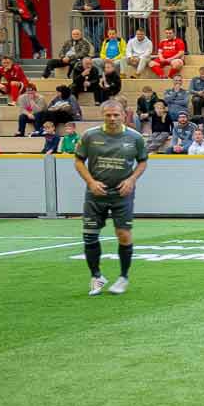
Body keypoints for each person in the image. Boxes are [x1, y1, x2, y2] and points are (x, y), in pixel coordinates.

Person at [72, 100, 147, 295]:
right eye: (108, 115)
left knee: (123, 234)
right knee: (89, 235)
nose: (112, 118)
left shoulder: (135, 137)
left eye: (116, 115)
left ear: (123, 115)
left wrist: (131, 180)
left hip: (122, 194)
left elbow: (142, 162)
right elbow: (78, 161)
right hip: (96, 193)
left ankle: (123, 277)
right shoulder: (90, 135)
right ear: (102, 115)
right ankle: (96, 276)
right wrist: (91, 182)